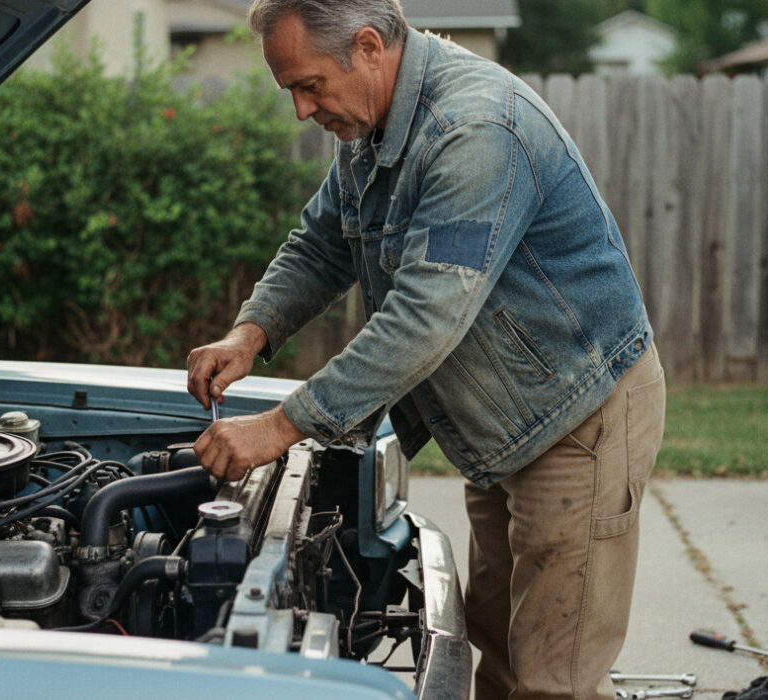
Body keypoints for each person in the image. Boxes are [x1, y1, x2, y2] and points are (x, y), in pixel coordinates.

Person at [186, 1, 666, 698]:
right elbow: (322, 242)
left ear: (372, 47)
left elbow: (424, 320)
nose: (299, 109)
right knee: (501, 658)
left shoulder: (475, 130)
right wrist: (250, 332)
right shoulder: (373, 128)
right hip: (506, 424)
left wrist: (281, 426)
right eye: (290, 88)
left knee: (555, 680)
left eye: (310, 85)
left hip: (578, 419)